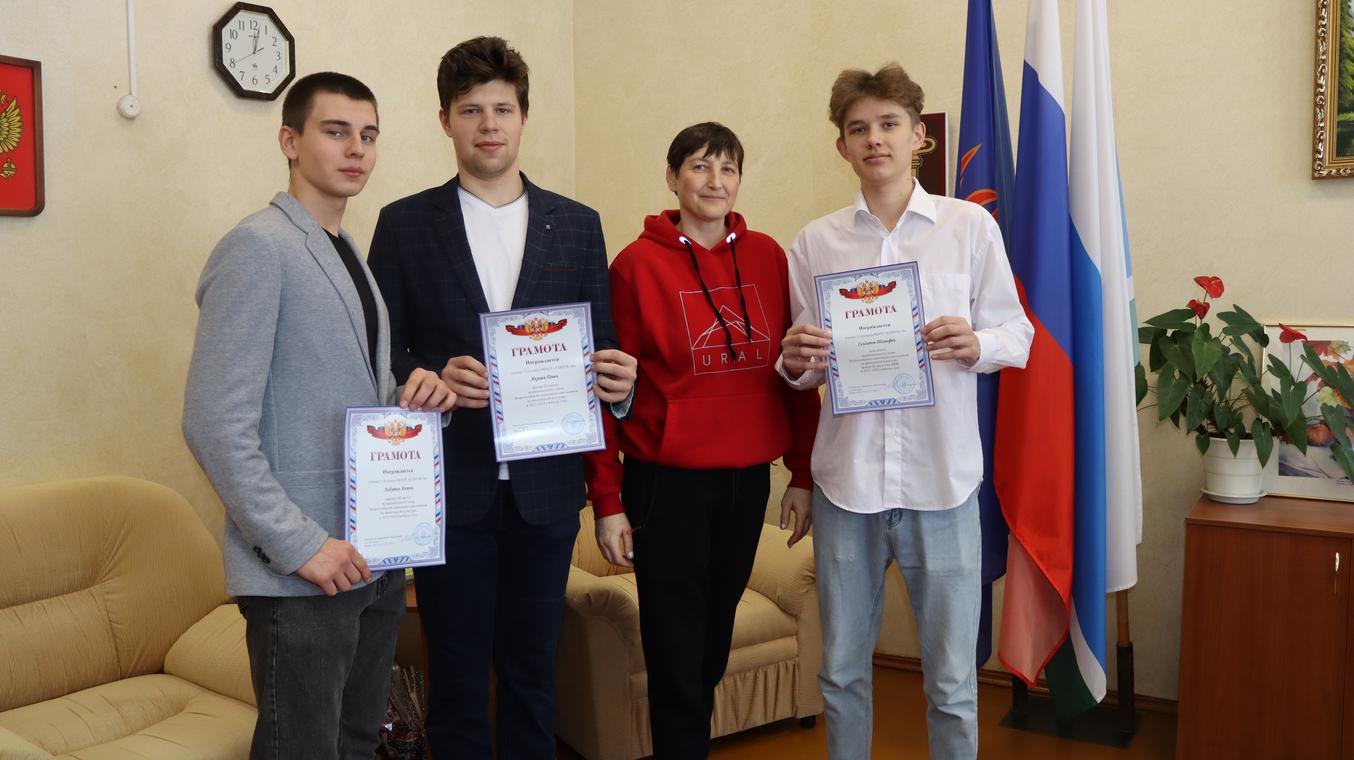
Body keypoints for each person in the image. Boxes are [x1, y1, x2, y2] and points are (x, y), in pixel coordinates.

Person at [366, 36, 637, 759]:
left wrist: (620, 385)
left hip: (546, 494)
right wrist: (426, 375)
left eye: (502, 109)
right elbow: (379, 350)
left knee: (532, 675)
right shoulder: (404, 223)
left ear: (523, 118)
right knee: (456, 680)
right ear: (445, 121)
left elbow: (603, 347)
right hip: (449, 491)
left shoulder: (576, 223)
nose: (488, 124)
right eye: (470, 110)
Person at [182, 72, 455, 759]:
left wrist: (418, 398)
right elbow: (213, 422)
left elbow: (357, 393)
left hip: (373, 557)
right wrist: (300, 545)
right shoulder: (257, 247)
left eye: (368, 135)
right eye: (336, 132)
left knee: (356, 742)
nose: (356, 149)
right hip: (302, 571)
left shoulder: (348, 251)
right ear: (290, 141)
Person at [778, 64, 1033, 759]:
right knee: (841, 674)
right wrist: (796, 358)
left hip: (942, 485)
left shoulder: (969, 227)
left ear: (919, 135)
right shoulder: (815, 243)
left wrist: (976, 343)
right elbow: (801, 368)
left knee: (951, 683)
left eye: (889, 124)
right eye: (858, 128)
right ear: (842, 146)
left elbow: (1018, 336)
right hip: (847, 487)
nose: (875, 139)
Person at [586, 122, 820, 758]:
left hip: (747, 479)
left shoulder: (769, 256)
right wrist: (607, 500)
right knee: (675, 645)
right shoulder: (634, 266)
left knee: (712, 639)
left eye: (728, 168)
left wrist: (802, 474)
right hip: (667, 484)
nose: (715, 181)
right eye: (699, 166)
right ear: (672, 178)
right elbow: (605, 392)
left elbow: (796, 373)